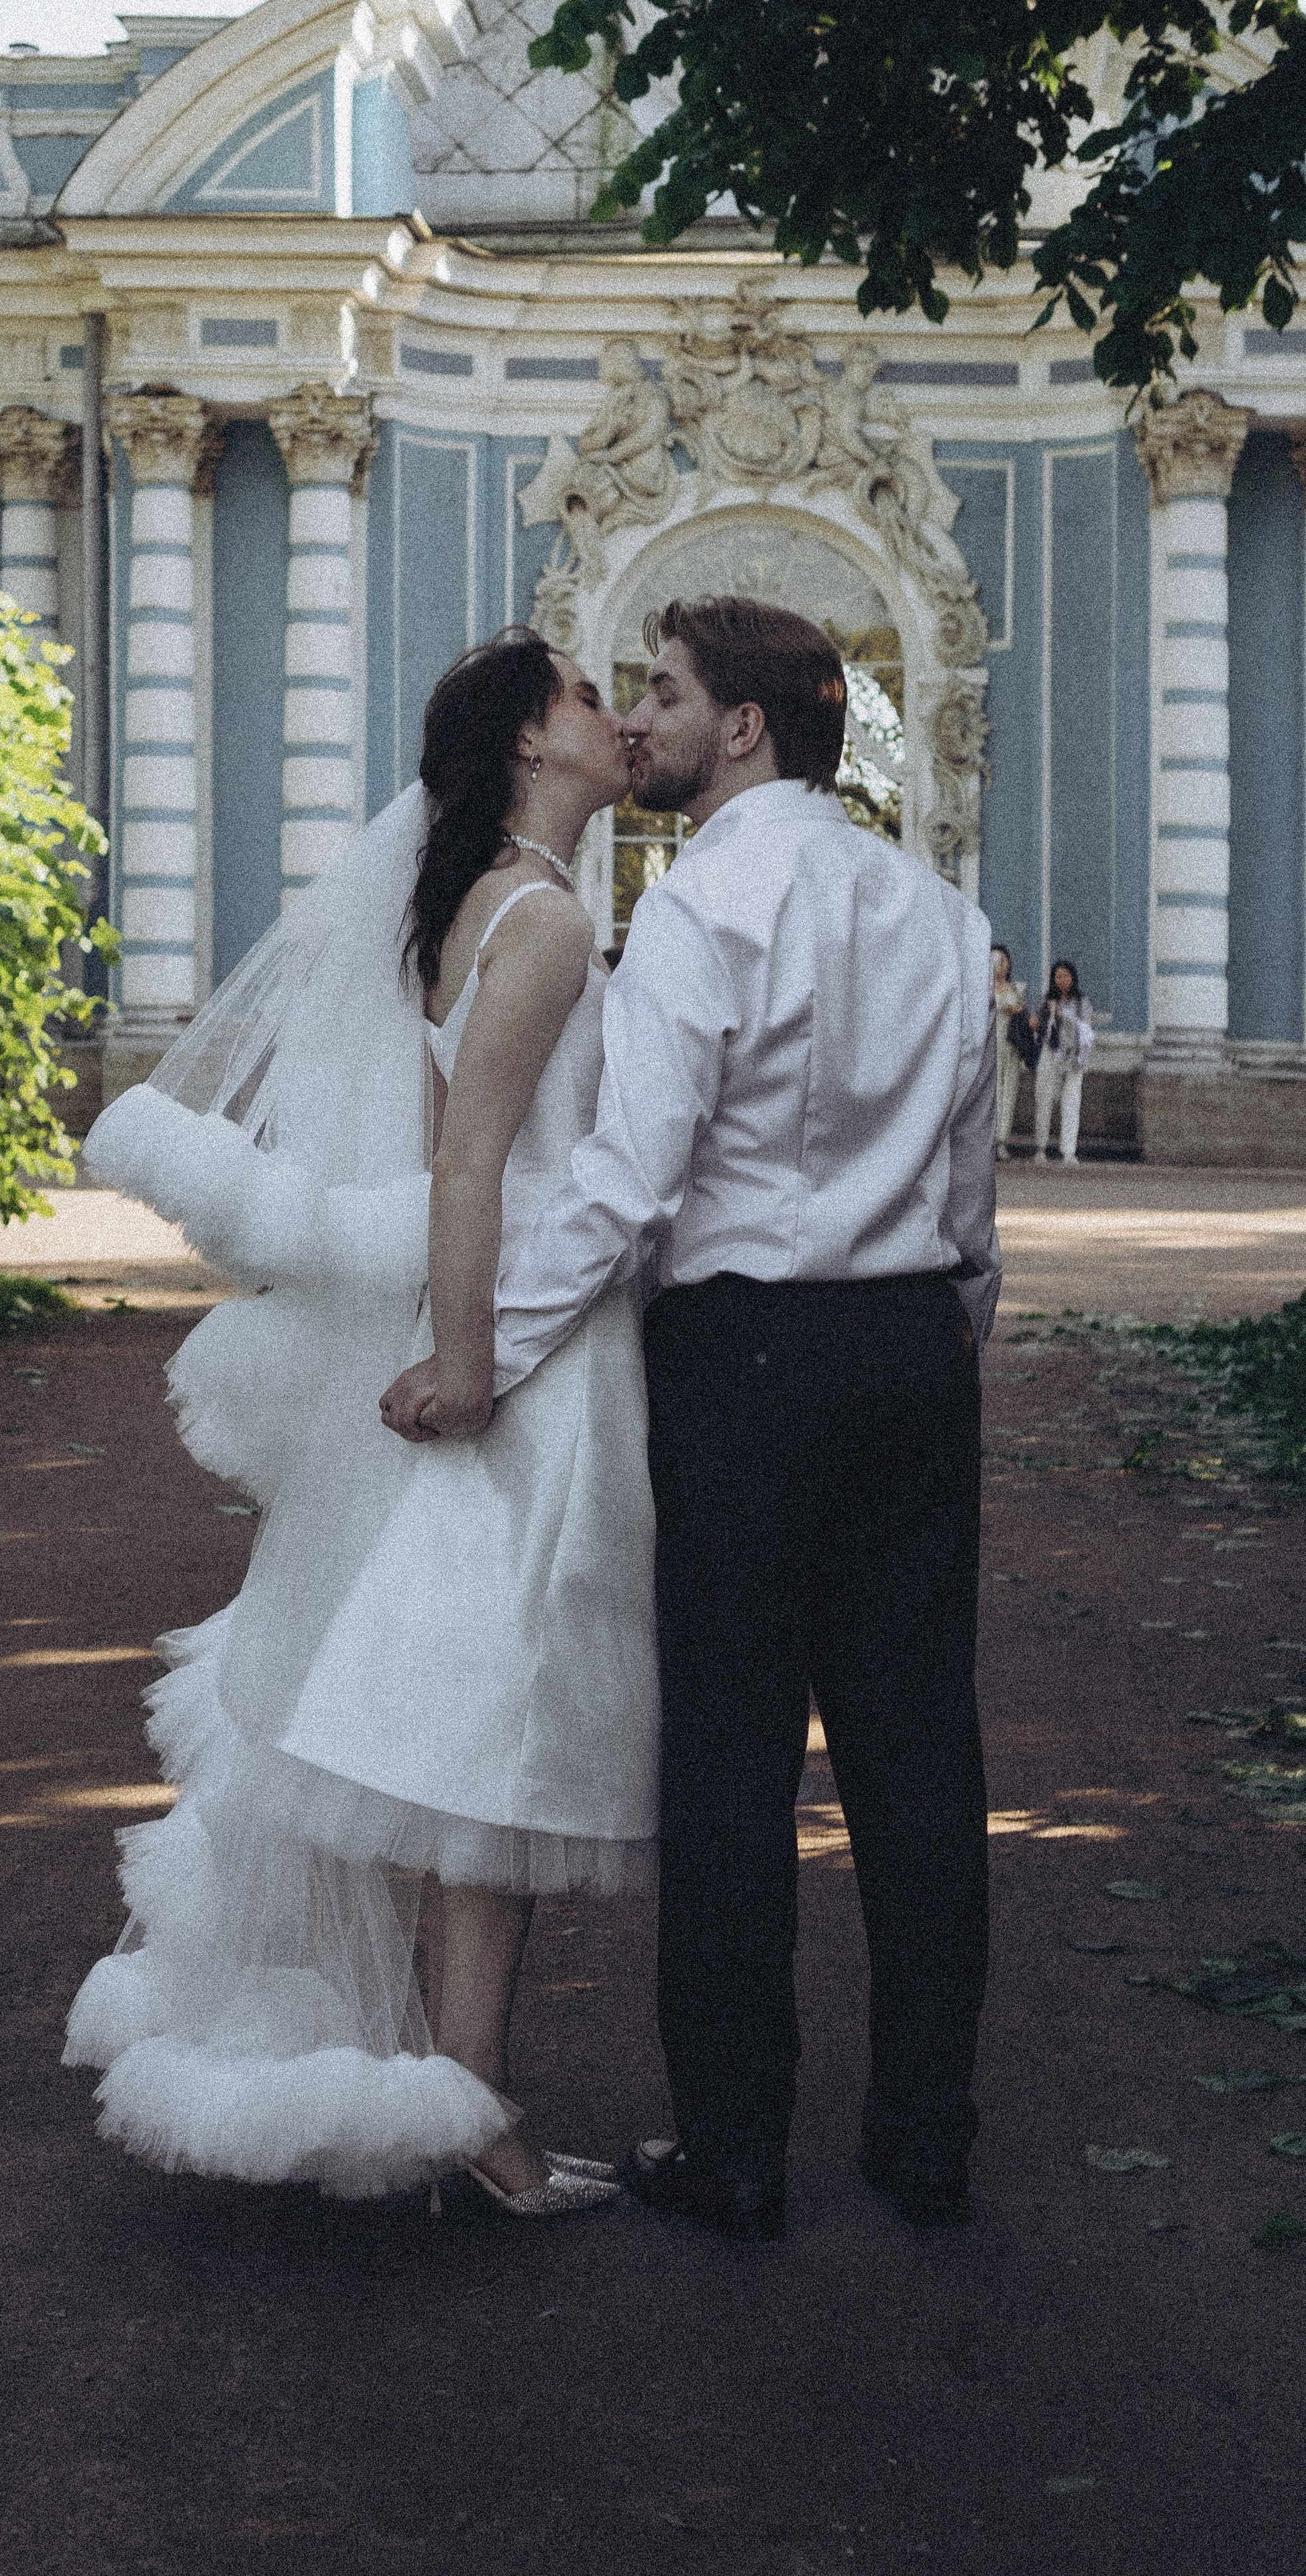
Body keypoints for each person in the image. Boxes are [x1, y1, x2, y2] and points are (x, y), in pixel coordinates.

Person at [386, 595, 1001, 2239]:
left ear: (744, 727)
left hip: (739, 1363)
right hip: (905, 1350)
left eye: (661, 694)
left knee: (728, 1763)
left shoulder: (692, 917)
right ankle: (922, 2132)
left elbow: (621, 1191)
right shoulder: (942, 912)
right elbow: (969, 1193)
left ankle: (732, 2152)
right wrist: (939, 1344)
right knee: (920, 1753)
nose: (639, 720)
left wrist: (482, 1357)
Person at [62, 630, 657, 2215]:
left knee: (463, 1745)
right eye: (589, 699)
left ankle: (465, 2099)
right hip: (516, 1361)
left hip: (500, 1335)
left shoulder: (478, 906)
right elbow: (470, 1166)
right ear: (532, 742)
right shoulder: (537, 923)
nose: (614, 720)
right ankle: (474, 2114)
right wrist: (469, 1362)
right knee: (496, 1737)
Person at [1030, 958, 1094, 1164]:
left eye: (1066, 975)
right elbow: (1035, 1024)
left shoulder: (1082, 1002)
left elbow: (1086, 1030)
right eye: (1058, 976)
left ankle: (1069, 1151)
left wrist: (1062, 1018)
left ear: (1073, 978)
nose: (1062, 980)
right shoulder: (1046, 1000)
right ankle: (1041, 1147)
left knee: (1071, 1101)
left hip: (1073, 1056)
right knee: (1044, 1098)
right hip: (1050, 1053)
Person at [991, 944, 1028, 1159]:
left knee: (1009, 1092)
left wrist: (1018, 1010)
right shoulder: (984, 988)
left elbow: (1022, 1014)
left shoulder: (1016, 989)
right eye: (995, 960)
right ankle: (989, 1140)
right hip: (991, 1045)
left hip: (1010, 1045)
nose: (1000, 965)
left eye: (1003, 961)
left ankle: (1002, 1140)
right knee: (992, 1092)